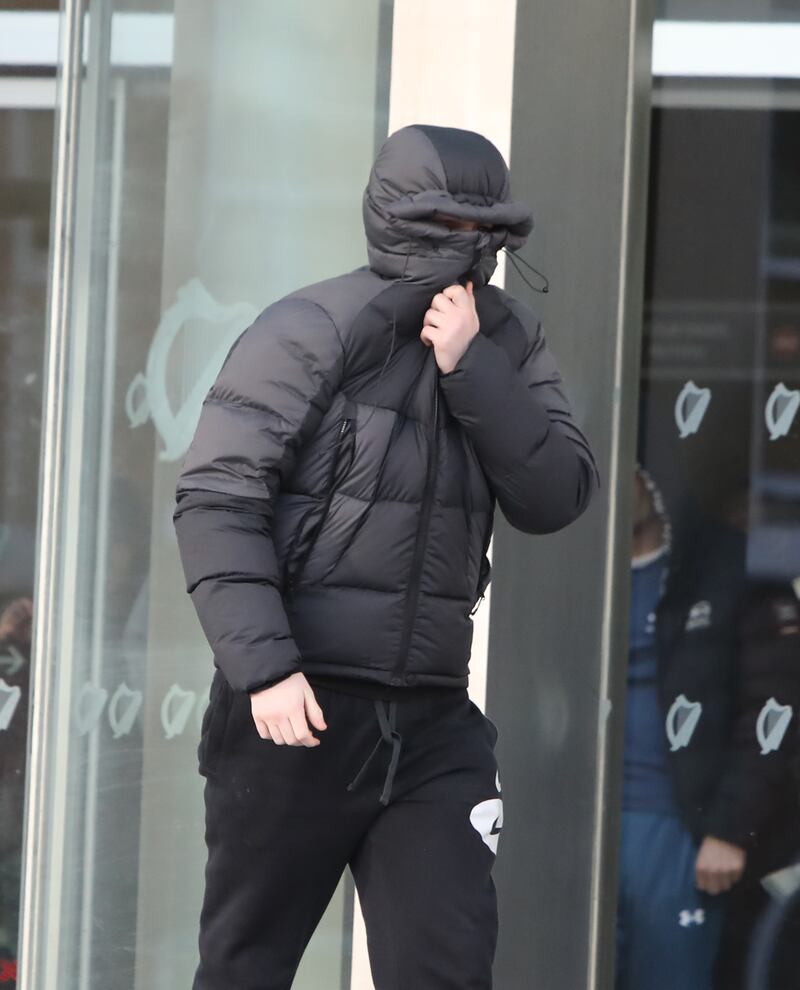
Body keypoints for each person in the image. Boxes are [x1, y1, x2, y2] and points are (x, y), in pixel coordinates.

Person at [173, 124, 599, 990]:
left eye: (489, 231)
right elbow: (218, 499)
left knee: (446, 969)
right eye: (452, 223)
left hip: (435, 722)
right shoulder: (311, 326)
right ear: (401, 216)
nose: (473, 247)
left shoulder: (508, 343)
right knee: (246, 969)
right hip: (296, 711)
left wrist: (470, 367)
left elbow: (558, 495)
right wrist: (264, 670)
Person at [615, 467, 800, 990]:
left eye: (631, 469)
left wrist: (730, 829)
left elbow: (776, 699)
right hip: (578, 820)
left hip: (677, 827)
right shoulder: (570, 570)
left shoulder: (721, 562)